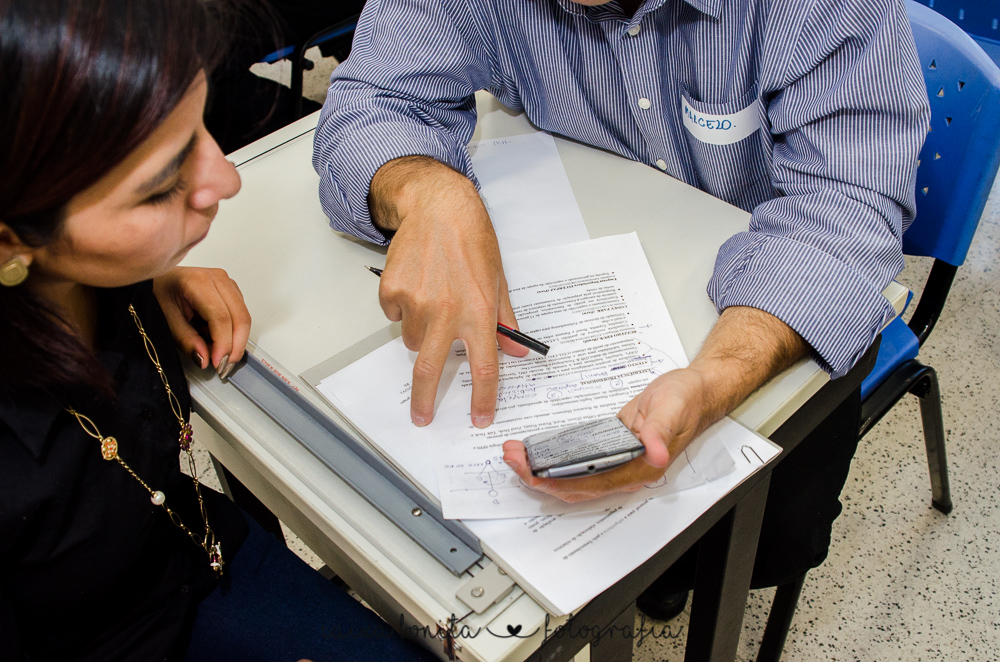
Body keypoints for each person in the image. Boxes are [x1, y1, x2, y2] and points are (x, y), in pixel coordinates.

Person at [311, 0, 930, 617]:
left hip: (761, 325)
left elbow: (846, 210)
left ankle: (672, 578)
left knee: (750, 538)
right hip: (585, 261)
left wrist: (716, 378)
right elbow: (372, 99)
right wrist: (425, 188)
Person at [0, 0, 437, 659]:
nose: (226, 179)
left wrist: (148, 279)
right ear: (11, 240)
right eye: (158, 187)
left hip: (195, 550)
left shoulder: (86, 276)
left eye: (200, 127)